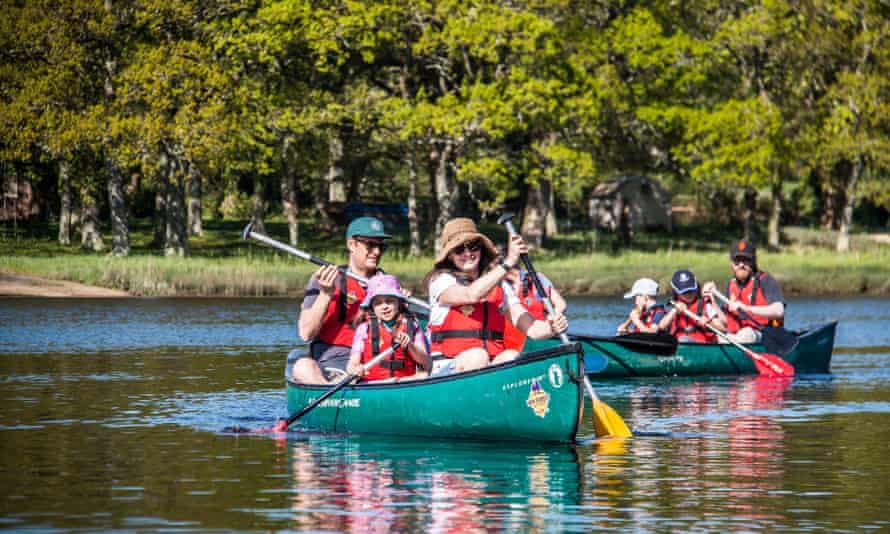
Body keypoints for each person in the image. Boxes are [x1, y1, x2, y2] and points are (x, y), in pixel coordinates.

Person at [425, 218, 568, 374]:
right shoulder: (440, 281)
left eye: (473, 247)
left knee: (511, 356)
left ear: (481, 250)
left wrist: (551, 327)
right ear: (450, 256)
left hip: (488, 365)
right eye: (459, 249)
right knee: (477, 356)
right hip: (447, 366)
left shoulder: (500, 287)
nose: (467, 253)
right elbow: (471, 294)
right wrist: (508, 262)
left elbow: (533, 329)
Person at [292, 216, 391, 384]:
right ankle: (331, 401)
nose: (377, 252)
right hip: (334, 365)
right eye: (370, 245)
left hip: (377, 362)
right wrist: (325, 294)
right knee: (302, 367)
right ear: (351, 244)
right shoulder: (325, 279)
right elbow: (305, 333)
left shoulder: (388, 284)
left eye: (381, 246)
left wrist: (402, 305)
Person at [346, 274, 431, 382]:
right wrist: (355, 369)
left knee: (423, 375)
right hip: (373, 383)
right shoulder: (364, 328)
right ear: (372, 307)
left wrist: (410, 345)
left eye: (390, 301)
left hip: (404, 381)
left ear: (398, 303)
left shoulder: (413, 325)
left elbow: (426, 362)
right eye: (378, 303)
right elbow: (352, 364)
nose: (384, 306)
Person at [703, 239, 785, 344]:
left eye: (746, 260)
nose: (741, 264)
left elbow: (779, 311)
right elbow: (725, 321)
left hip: (764, 336)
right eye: (737, 261)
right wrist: (712, 300)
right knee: (718, 337)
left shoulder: (766, 281)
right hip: (736, 337)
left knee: (747, 334)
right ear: (731, 263)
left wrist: (746, 308)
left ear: (753, 261)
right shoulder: (731, 285)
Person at [502, 263, 567, 351]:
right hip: (508, 346)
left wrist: (554, 318)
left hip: (538, 339)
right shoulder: (496, 284)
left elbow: (560, 304)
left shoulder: (536, 278)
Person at [658, 269, 721, 343]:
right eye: (684, 292)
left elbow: (721, 328)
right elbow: (661, 327)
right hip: (679, 345)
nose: (688, 294)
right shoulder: (674, 305)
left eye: (691, 291)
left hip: (702, 345)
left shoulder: (706, 304)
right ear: (676, 292)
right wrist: (674, 311)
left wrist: (709, 323)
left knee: (683, 339)